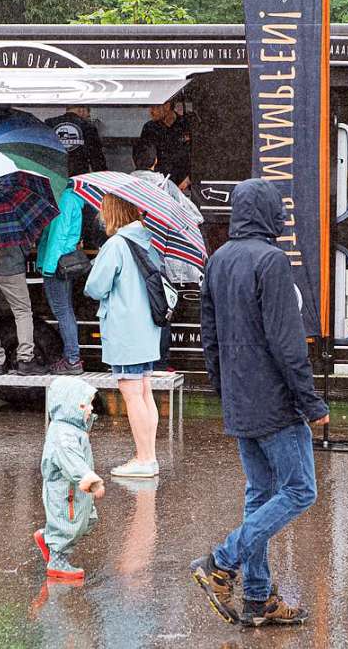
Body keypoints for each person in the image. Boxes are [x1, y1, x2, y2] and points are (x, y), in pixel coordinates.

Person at [190, 178, 330, 628]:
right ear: (271, 215)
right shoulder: (271, 261)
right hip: (275, 403)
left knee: (261, 495)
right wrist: (311, 402)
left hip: (239, 400)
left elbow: (208, 339)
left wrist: (223, 389)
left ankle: (257, 598)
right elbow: (287, 345)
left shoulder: (217, 261)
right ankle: (221, 561)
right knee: (300, 490)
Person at [83, 194, 161, 478]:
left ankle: (143, 458)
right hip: (147, 328)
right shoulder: (148, 240)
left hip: (126, 329)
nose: (101, 216)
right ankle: (149, 455)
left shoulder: (116, 244)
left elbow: (95, 286)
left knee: (131, 393)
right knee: (145, 391)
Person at [131, 141, 205, 369]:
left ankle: (137, 360)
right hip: (160, 257)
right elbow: (194, 217)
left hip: (132, 256)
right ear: (155, 162)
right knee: (161, 310)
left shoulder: (125, 185)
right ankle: (160, 364)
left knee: (135, 309)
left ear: (133, 161)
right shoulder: (166, 187)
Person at [33, 377, 104, 581]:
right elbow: (71, 459)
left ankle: (48, 539)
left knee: (86, 521)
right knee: (69, 524)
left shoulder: (73, 429)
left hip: (75, 491)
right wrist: (87, 476)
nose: (90, 408)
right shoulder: (64, 434)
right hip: (67, 492)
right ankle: (57, 561)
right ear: (70, 407)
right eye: (85, 404)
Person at [36, 185, 86, 375]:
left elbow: (58, 236)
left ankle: (72, 359)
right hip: (63, 263)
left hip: (57, 265)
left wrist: (48, 268)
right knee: (66, 310)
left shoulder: (65, 199)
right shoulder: (75, 198)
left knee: (63, 311)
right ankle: (72, 358)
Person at [0, 241, 44, 376]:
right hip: (12, 265)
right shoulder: (12, 219)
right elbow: (26, 240)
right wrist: (22, 253)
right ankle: (25, 360)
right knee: (22, 312)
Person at [138, 100, 192, 190]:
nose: (150, 111)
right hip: (158, 186)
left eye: (154, 107)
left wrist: (189, 179)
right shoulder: (149, 128)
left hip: (185, 187)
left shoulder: (186, 125)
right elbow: (143, 159)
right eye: (150, 107)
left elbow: (200, 156)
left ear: (167, 106)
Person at [45, 106, 107, 176]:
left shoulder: (49, 123)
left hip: (54, 172)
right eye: (88, 115)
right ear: (82, 110)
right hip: (78, 175)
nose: (88, 117)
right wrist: (103, 175)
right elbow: (96, 157)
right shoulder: (88, 127)